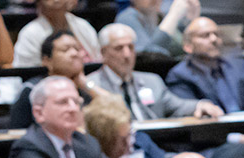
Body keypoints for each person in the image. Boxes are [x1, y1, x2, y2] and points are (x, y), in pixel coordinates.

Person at [2, 75, 160, 158]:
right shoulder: (28, 147)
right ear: (39, 113)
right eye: (63, 102)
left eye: (76, 102)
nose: (72, 108)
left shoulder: (86, 143)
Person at [88, 23, 223, 122]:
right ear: (103, 53)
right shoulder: (91, 85)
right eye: (119, 48)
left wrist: (201, 105)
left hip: (155, 145)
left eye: (131, 47)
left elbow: (177, 106)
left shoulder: (152, 81)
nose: (127, 54)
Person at [9, 31, 113, 130]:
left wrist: (85, 84)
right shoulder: (33, 90)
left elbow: (116, 112)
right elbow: (17, 132)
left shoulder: (84, 89)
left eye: (77, 49)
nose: (74, 54)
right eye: (65, 50)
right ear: (47, 61)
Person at [166, 17, 244, 114]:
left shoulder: (240, 66)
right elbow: (190, 114)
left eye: (217, 34)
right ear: (188, 46)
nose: (214, 39)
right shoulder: (179, 75)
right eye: (205, 35)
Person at [82, 96, 169, 158]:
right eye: (122, 140)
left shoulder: (138, 139)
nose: (129, 143)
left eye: (129, 133)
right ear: (104, 142)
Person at [13, 0, 99, 67]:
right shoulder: (30, 32)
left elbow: (97, 57)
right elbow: (29, 68)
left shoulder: (82, 25)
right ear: (39, 3)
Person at [114, 0, 198, 56]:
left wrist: (191, 22)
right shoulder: (127, 17)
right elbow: (149, 54)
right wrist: (174, 15)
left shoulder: (160, 18)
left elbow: (185, 48)